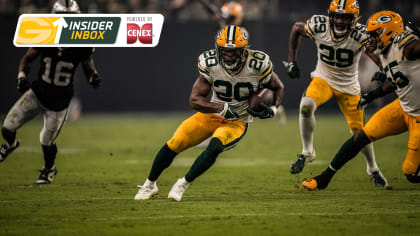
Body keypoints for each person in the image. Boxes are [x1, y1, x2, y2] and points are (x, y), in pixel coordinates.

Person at [134, 25, 284, 201]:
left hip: (238, 120)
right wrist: (220, 107)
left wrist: (274, 108)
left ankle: (182, 183)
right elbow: (194, 100)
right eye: (224, 51)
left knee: (215, 147)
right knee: (175, 143)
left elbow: (278, 87)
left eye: (233, 51)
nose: (228, 55)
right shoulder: (210, 63)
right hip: (210, 115)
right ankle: (149, 185)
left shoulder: (258, 64)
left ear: (244, 50)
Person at [302, 11, 420, 190]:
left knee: (410, 173)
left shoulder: (407, 46)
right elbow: (397, 81)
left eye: (374, 35)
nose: (370, 39)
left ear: (388, 32)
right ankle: (324, 178)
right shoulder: (384, 52)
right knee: (361, 137)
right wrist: (372, 96)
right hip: (403, 108)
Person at [283, 0, 388, 187]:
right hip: (323, 79)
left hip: (349, 86)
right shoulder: (320, 25)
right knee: (306, 107)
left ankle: (373, 169)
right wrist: (292, 61)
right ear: (330, 15)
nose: (339, 21)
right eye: (337, 16)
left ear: (353, 19)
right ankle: (307, 152)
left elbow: (376, 54)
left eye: (344, 17)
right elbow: (296, 28)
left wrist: (383, 68)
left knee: (359, 132)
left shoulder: (360, 34)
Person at [0, 0, 101, 184]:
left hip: (60, 102)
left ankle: (49, 169)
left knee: (46, 140)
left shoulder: (82, 43)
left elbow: (88, 66)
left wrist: (93, 77)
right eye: (63, 18)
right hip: (38, 93)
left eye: (70, 18)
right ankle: (12, 144)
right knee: (7, 127)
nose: (66, 22)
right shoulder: (46, 35)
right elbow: (27, 59)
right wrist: (21, 76)